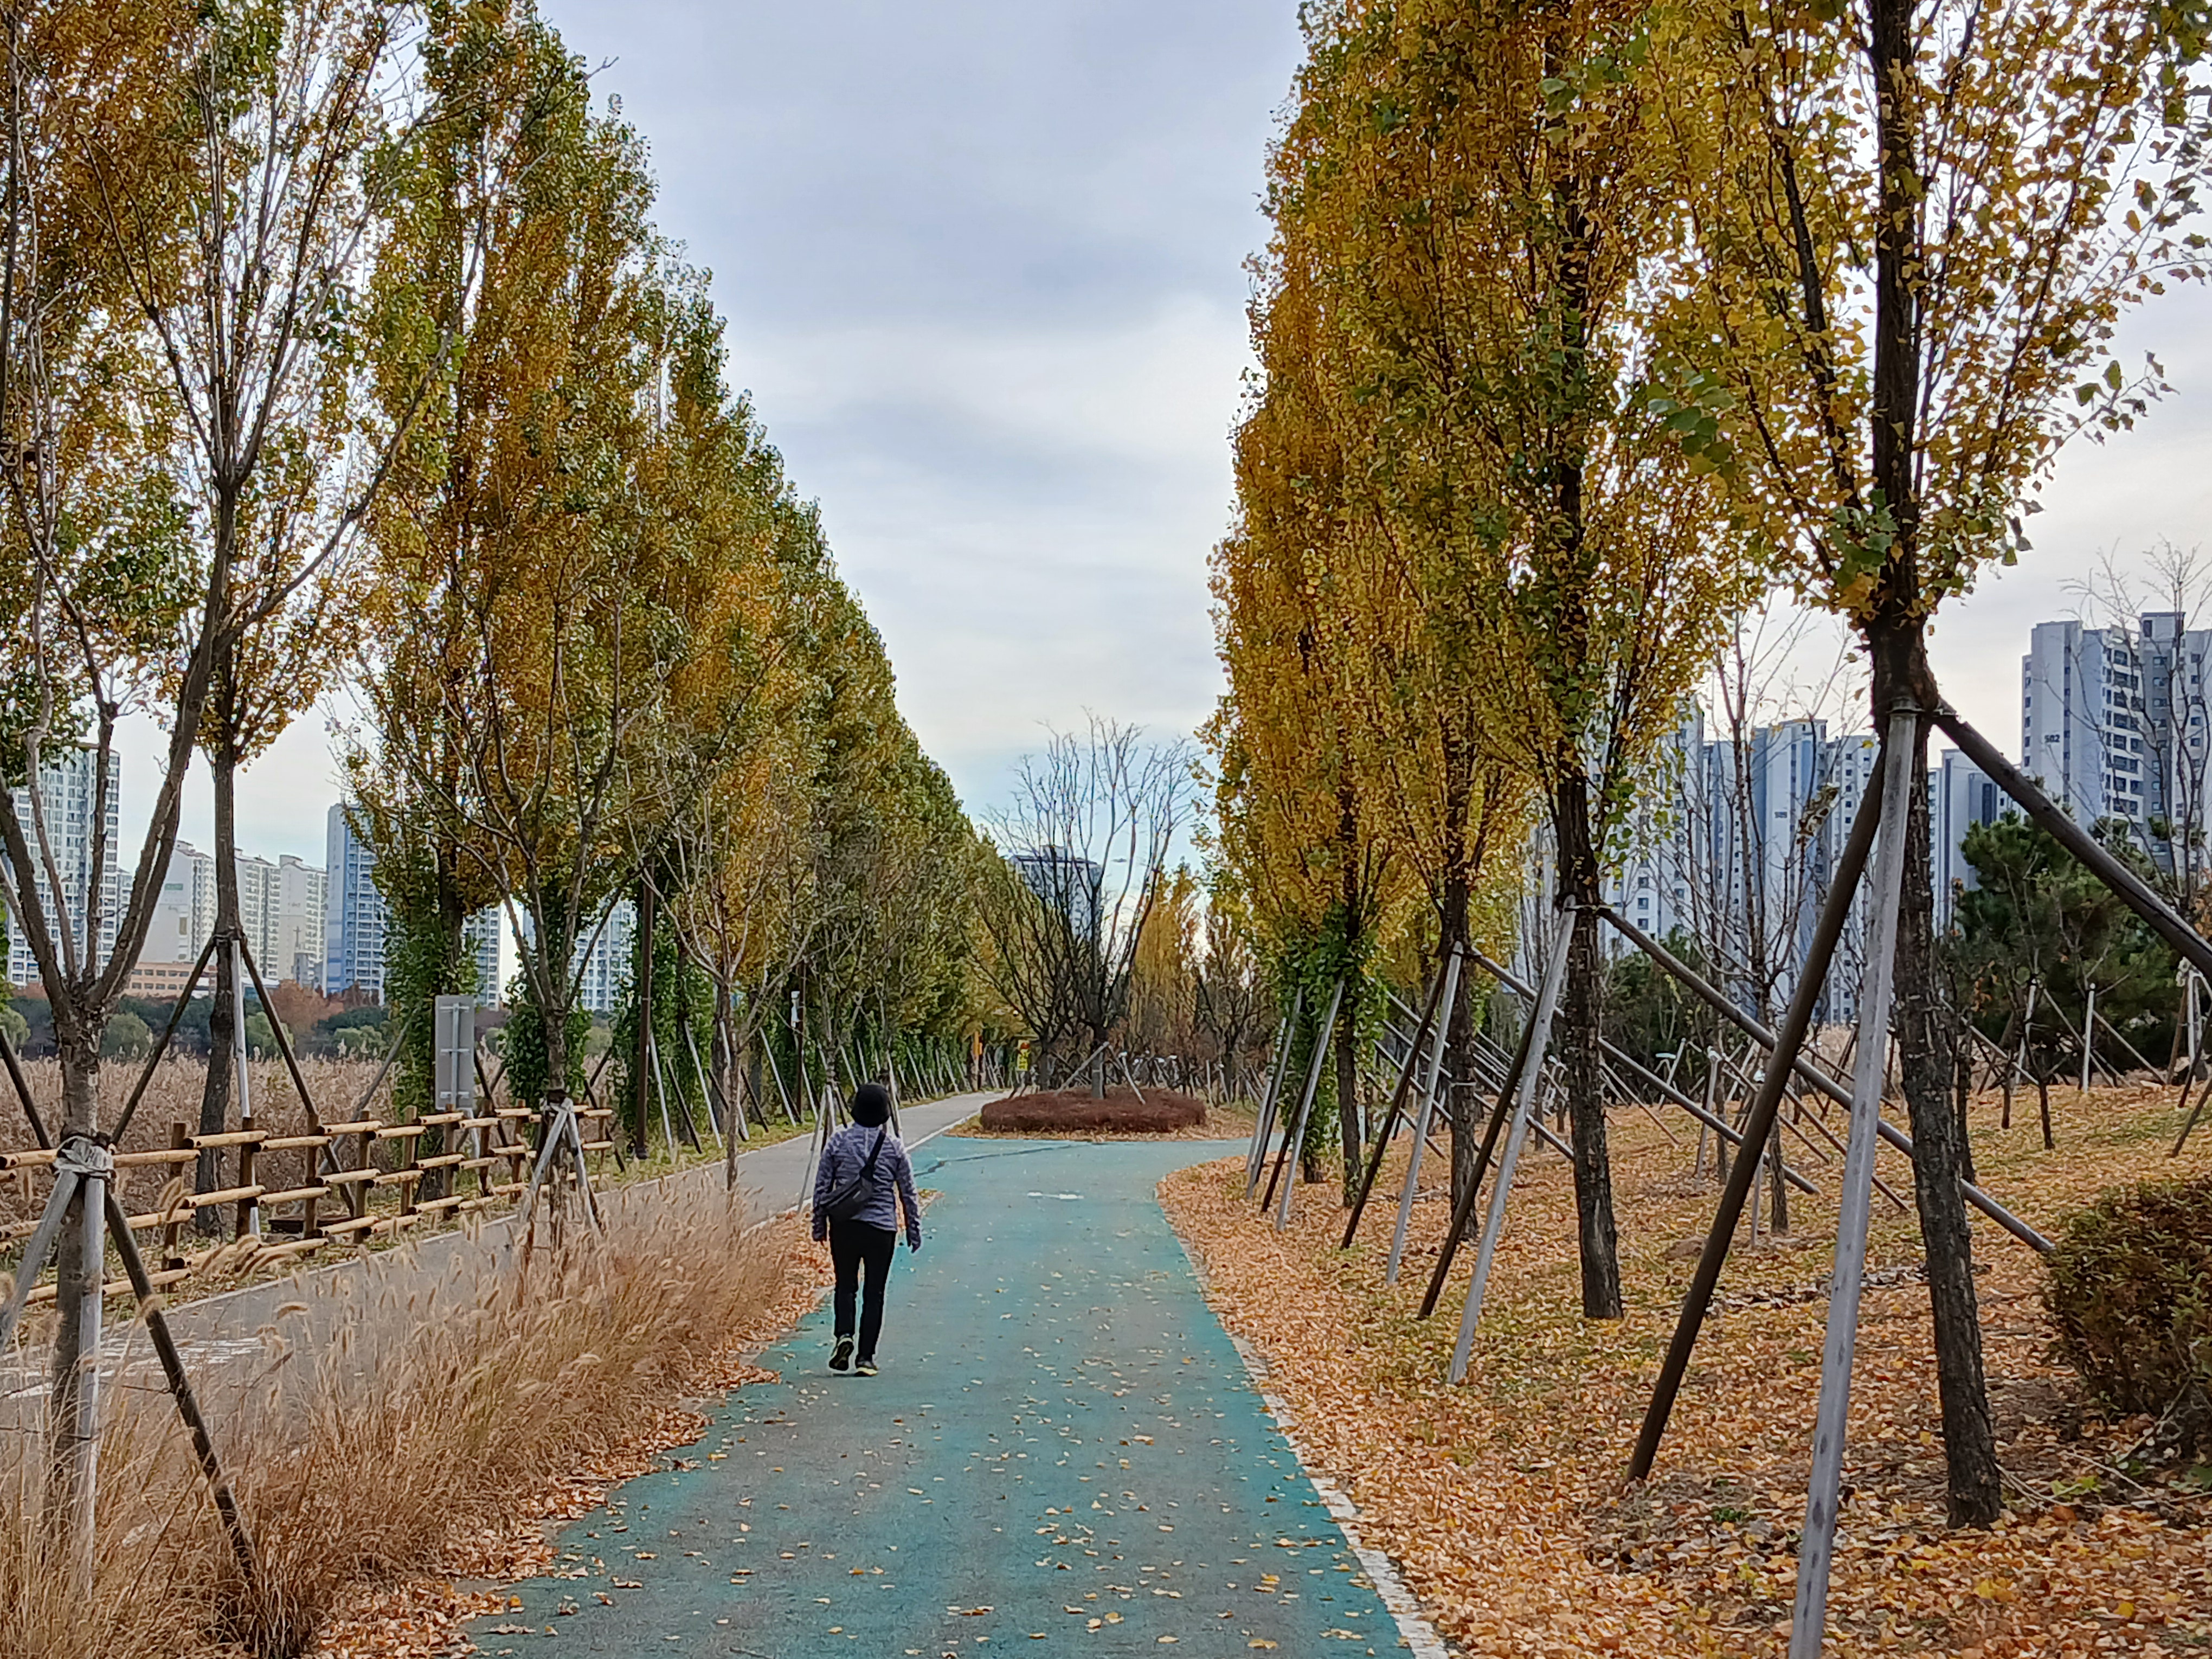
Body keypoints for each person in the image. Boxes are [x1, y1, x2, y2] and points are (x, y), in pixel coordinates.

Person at [811, 1083, 922, 1376]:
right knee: (875, 1292)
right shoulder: (894, 1147)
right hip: (882, 1229)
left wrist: (819, 1225)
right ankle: (866, 1358)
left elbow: (822, 1187)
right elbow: (908, 1193)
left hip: (844, 1226)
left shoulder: (837, 1142)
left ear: (855, 1109)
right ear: (886, 1113)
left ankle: (844, 1335)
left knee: (845, 1285)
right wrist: (913, 1229)